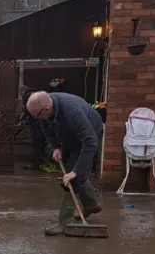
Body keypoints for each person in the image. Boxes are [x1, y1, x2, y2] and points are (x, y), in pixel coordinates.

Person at [26, 91, 103, 235]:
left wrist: (75, 172)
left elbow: (90, 142)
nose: (38, 119)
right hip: (69, 134)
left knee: (72, 178)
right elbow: (45, 127)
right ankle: (92, 204)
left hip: (89, 134)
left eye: (37, 115)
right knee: (70, 168)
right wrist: (55, 146)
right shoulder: (45, 105)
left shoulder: (72, 112)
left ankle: (64, 223)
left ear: (47, 109)